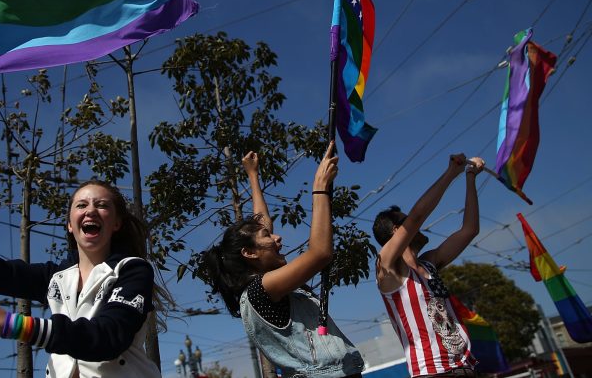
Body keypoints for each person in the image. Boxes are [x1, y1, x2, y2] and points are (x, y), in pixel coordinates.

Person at [0, 166, 161, 378]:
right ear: (69, 223)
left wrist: (14, 325)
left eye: (102, 205)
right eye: (81, 205)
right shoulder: (55, 277)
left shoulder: (132, 270)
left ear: (117, 223)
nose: (90, 211)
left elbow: (108, 337)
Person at [202, 142, 364, 378]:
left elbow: (262, 222)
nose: (278, 238)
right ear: (249, 253)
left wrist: (253, 175)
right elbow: (320, 253)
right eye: (268, 236)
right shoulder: (260, 290)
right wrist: (319, 188)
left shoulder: (262, 284)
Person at [372, 154, 485, 378]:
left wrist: (470, 177)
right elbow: (418, 216)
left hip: (464, 367)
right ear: (396, 230)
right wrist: (451, 173)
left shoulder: (429, 263)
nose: (417, 226)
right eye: (405, 221)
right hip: (431, 372)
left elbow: (469, 229)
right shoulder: (387, 267)